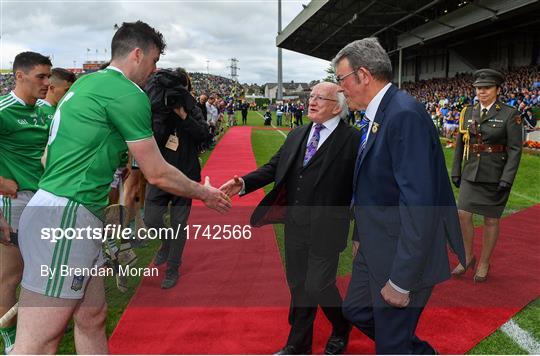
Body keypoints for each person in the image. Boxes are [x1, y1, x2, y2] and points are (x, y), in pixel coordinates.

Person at [12, 21, 231, 354]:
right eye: (154, 61)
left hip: (64, 210)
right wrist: (206, 193)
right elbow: (157, 173)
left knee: (92, 316)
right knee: (39, 342)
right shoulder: (127, 92)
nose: (154, 70)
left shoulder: (86, 84)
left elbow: (46, 158)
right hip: (67, 217)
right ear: (137, 54)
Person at [333, 38, 465, 354]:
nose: (340, 89)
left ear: (363, 75)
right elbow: (372, 186)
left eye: (341, 79)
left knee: (391, 344)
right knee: (355, 311)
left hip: (402, 256)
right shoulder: (380, 114)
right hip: (376, 244)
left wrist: (402, 280)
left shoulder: (404, 114)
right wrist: (360, 233)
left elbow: (420, 204)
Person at [221, 82, 360, 355]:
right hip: (294, 224)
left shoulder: (353, 140)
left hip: (328, 229)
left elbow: (364, 187)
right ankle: (298, 345)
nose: (312, 101)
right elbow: (275, 167)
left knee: (319, 285)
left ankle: (341, 324)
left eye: (320, 97)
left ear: (337, 106)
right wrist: (244, 182)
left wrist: (361, 232)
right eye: (311, 96)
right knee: (298, 285)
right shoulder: (298, 133)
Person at [0, 51, 52, 354]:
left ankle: (37, 329)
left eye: (48, 76)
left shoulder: (46, 111)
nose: (46, 83)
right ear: (19, 76)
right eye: (40, 77)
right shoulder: (3, 110)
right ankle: (9, 340)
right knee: (10, 276)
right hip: (13, 203)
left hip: (44, 201)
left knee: (41, 272)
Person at [451, 69, 523, 282]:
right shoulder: (468, 112)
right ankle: (467, 255)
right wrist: (456, 170)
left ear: (497, 90)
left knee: (491, 219)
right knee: (463, 214)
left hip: (495, 174)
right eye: (479, 88)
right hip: (470, 172)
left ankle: (483, 262)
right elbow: (460, 143)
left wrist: (507, 179)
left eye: (486, 88)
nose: (482, 92)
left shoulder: (510, 114)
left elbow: (515, 150)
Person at [144, 68, 212, 289]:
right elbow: (153, 137)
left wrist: (183, 115)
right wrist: (164, 114)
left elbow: (204, 136)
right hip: (161, 173)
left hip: (186, 175)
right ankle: (166, 242)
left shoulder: (192, 108)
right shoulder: (159, 109)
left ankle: (173, 268)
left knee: (179, 224)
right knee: (151, 219)